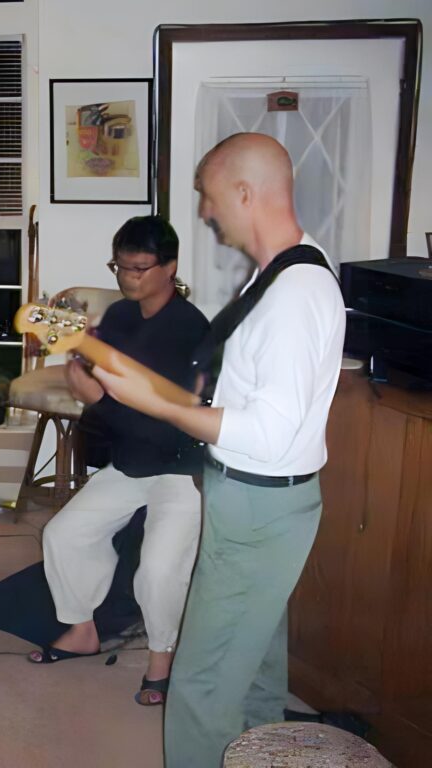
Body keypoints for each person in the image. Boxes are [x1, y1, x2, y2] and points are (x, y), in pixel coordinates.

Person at [91, 133, 345, 766]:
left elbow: (270, 432)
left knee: (200, 685)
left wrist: (162, 406)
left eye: (207, 195)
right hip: (253, 500)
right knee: (255, 664)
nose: (205, 211)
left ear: (243, 192)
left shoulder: (294, 292)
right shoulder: (281, 273)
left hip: (260, 508)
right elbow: (242, 398)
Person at [28, 216, 209, 708]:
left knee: (156, 570)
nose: (127, 278)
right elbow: (93, 372)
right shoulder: (123, 316)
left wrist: (96, 398)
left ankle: (160, 660)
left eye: (139, 268)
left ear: (169, 267)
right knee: (63, 536)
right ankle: (83, 629)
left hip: (180, 467)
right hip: (131, 462)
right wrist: (74, 355)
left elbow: (158, 419)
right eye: (120, 267)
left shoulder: (189, 329)